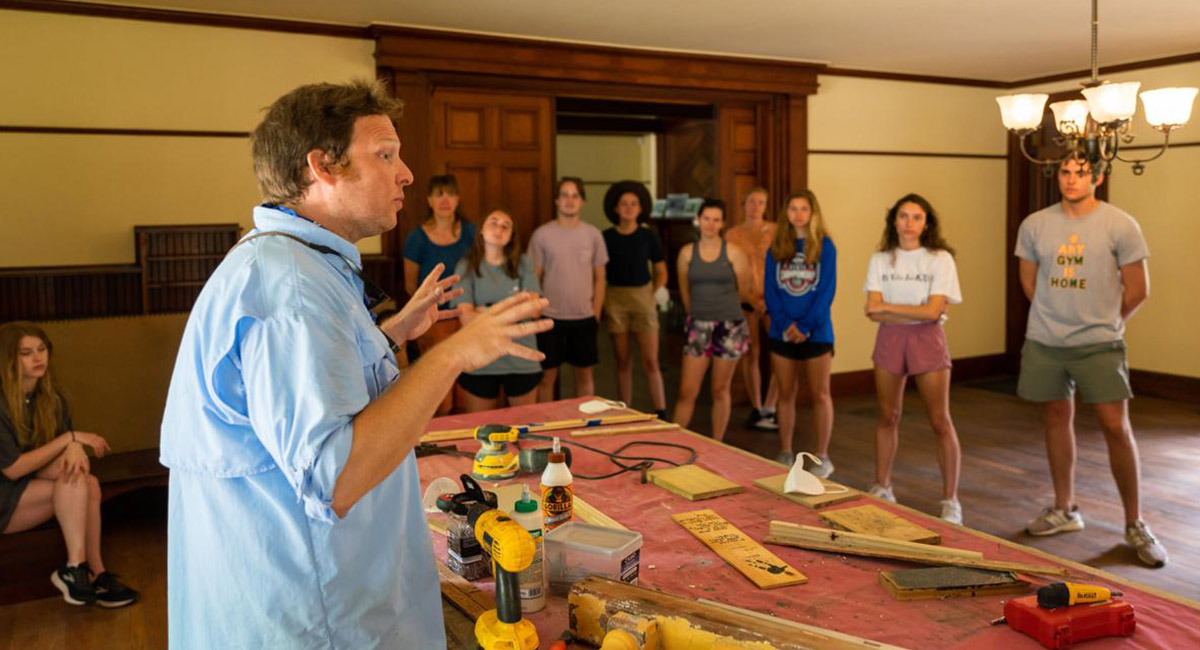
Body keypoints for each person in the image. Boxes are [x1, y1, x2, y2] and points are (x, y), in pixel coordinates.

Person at [160, 80, 552, 649]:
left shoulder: (293, 263)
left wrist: (387, 336)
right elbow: (334, 477)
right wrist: (453, 354)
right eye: (385, 155)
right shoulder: (292, 288)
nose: (407, 174)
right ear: (323, 167)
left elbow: (313, 382)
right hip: (314, 613)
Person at [1015, 157, 1166, 567]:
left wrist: (1108, 323)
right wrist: (1056, 317)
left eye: (1081, 172)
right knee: (1055, 418)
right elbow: (1030, 283)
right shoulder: (1035, 224)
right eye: (1065, 172)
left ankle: (1135, 522)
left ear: (1097, 177)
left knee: (1116, 426)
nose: (1072, 179)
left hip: (1100, 344)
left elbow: (1138, 289)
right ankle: (1064, 509)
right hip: (1046, 341)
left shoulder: (1120, 224)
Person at [0, 321, 139, 608]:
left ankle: (85, 571)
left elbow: (53, 460)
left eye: (41, 350)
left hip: (31, 485)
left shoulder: (52, 399)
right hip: (5, 494)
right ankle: (86, 571)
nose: (37, 358)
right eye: (26, 353)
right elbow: (12, 468)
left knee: (84, 480)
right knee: (82, 483)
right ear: (8, 360)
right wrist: (70, 438)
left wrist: (73, 446)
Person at [863, 194, 964, 525]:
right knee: (888, 415)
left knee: (939, 420)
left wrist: (889, 309)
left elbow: (933, 311)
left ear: (927, 223)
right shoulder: (881, 259)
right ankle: (883, 485)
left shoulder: (940, 259)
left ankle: (950, 500)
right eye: (903, 216)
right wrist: (917, 312)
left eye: (917, 217)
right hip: (890, 340)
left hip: (928, 339)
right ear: (894, 221)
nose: (909, 223)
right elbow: (870, 310)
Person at [763, 190, 837, 471]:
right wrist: (785, 325)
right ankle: (785, 451)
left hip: (816, 332)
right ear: (786, 213)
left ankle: (823, 455)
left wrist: (805, 326)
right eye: (793, 208)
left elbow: (826, 292)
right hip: (782, 331)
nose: (798, 214)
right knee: (786, 393)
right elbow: (770, 292)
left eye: (804, 209)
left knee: (820, 394)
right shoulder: (776, 247)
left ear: (813, 213)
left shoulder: (825, 247)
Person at [673, 199, 752, 442]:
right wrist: (698, 315)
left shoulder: (735, 253)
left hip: (729, 326)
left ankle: (718, 443)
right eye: (706, 218)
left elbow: (743, 291)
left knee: (720, 389)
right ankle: (673, 445)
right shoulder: (687, 253)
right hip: (699, 325)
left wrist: (722, 311)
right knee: (687, 392)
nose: (711, 224)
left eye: (716, 219)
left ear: (723, 223)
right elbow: (685, 291)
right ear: (699, 220)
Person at [453, 209, 544, 411]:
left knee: (524, 428)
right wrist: (515, 309)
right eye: (493, 222)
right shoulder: (466, 266)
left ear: (511, 235)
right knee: (479, 430)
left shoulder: (523, 262)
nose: (499, 228)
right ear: (481, 232)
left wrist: (484, 310)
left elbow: (535, 310)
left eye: (506, 225)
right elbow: (467, 318)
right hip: (479, 360)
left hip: (522, 358)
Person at [529, 177, 608, 402]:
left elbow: (600, 277)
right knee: (547, 377)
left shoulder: (593, 235)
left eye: (575, 195)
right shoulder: (542, 235)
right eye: (565, 195)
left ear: (582, 200)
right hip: (550, 317)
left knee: (584, 375)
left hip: (584, 317)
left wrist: (596, 312)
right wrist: (535, 313)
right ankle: (547, 426)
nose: (570, 200)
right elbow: (534, 278)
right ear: (556, 200)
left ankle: (584, 426)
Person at [403, 173, 476, 415]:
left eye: (450, 194)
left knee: (469, 384)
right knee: (441, 384)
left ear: (458, 199)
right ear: (429, 200)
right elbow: (411, 285)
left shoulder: (471, 232)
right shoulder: (417, 238)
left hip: (468, 318)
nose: (445, 199)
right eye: (439, 194)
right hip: (434, 322)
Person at [601, 181, 668, 419]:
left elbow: (661, 269)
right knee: (622, 360)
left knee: (651, 361)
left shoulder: (648, 236)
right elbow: (598, 273)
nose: (629, 208)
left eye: (634, 204)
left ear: (640, 208)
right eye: (624, 204)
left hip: (643, 297)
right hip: (615, 298)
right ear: (616, 208)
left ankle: (661, 410)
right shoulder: (606, 237)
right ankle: (624, 408)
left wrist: (652, 293)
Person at [724, 187, 780, 431]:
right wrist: (746, 297)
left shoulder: (777, 231)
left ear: (766, 206)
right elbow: (730, 271)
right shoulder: (733, 234)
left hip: (773, 300)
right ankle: (756, 406)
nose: (756, 206)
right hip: (744, 299)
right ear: (744, 204)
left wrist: (771, 298)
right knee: (751, 352)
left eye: (761, 202)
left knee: (780, 353)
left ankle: (772, 405)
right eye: (752, 202)